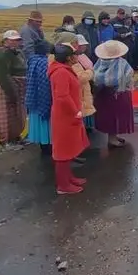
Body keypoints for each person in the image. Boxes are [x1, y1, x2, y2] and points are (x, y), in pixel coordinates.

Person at [48, 45, 90, 195]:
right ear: (67, 57)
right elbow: (62, 97)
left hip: (68, 115)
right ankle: (63, 185)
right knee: (63, 151)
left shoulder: (64, 69)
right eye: (73, 55)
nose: (76, 57)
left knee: (69, 147)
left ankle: (68, 177)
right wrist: (76, 112)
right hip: (65, 116)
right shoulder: (60, 73)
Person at [93, 40, 136, 149]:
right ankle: (112, 139)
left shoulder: (100, 62)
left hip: (103, 94)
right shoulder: (120, 62)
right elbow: (127, 75)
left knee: (109, 116)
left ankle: (113, 137)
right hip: (117, 94)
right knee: (115, 116)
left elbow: (95, 76)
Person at [0, 30, 27, 146]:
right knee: (6, 114)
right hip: (8, 85)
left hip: (18, 85)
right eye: (12, 40)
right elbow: (3, 75)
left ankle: (15, 136)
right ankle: (4, 140)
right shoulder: (1, 54)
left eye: (17, 40)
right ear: (5, 40)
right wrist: (12, 91)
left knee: (17, 113)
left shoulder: (16, 52)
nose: (15, 42)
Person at [25, 41, 54, 157]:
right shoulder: (44, 63)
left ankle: (43, 146)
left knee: (37, 122)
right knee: (45, 124)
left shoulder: (32, 60)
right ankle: (48, 147)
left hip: (33, 98)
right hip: (42, 97)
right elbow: (44, 82)